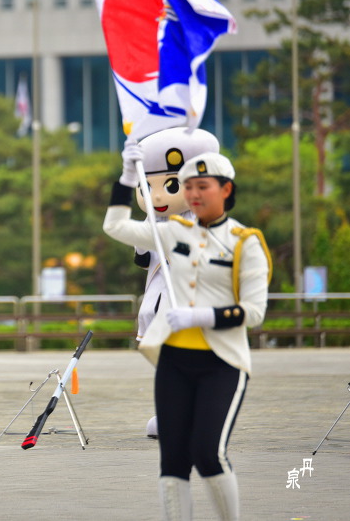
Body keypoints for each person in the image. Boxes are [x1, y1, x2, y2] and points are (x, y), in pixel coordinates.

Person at [104, 149, 271, 521]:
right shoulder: (171, 232)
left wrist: (200, 316)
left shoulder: (245, 242)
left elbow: (255, 312)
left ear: (226, 189)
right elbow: (115, 227)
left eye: (203, 186)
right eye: (188, 186)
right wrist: (127, 178)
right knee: (173, 461)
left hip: (221, 361)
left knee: (208, 454)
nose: (194, 193)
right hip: (174, 362)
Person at [130, 128, 220, 439]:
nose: (156, 195)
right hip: (157, 299)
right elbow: (143, 258)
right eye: (146, 186)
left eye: (170, 185)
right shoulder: (152, 221)